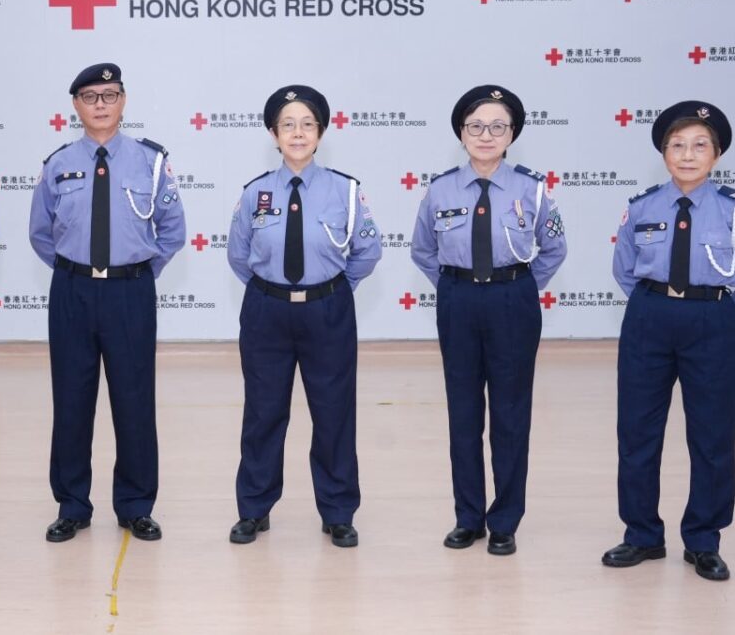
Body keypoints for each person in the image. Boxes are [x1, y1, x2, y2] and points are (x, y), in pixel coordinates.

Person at [29, 63, 185, 543]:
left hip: (129, 292)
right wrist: (79, 273)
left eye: (110, 95)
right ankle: (72, 505)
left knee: (134, 400)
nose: (101, 104)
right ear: (75, 105)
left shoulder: (151, 162)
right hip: (72, 291)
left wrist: (135, 274)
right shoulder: (57, 164)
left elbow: (172, 230)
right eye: (91, 96)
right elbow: (40, 233)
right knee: (71, 401)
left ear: (123, 101)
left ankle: (136, 505)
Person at [410, 84, 567, 556]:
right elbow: (423, 251)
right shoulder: (440, 189)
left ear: (512, 133)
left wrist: (517, 287)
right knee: (463, 413)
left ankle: (504, 521)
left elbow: (554, 247)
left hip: (512, 301)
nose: (486, 135)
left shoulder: (532, 189)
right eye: (476, 126)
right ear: (462, 132)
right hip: (458, 300)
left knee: (510, 414)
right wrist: (458, 288)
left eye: (497, 126)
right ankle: (468, 518)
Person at [225, 85, 382, 548]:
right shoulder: (255, 193)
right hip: (266, 311)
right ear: (274, 134)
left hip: (327, 311)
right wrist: (274, 290)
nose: (298, 133)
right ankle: (254, 508)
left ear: (321, 133)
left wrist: (331, 290)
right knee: (263, 413)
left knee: (333, 413)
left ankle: (337, 511)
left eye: (307, 124)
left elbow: (366, 251)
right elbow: (239, 255)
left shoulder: (346, 191)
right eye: (288, 124)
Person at [601, 101, 735, 582]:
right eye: (676, 145)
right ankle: (642, 534)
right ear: (663, 152)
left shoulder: (730, 211)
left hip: (714, 318)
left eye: (700, 145)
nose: (687, 154)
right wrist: (659, 303)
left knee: (714, 436)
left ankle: (703, 539)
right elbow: (624, 269)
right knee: (637, 431)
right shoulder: (642, 207)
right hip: (650, 317)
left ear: (716, 155)